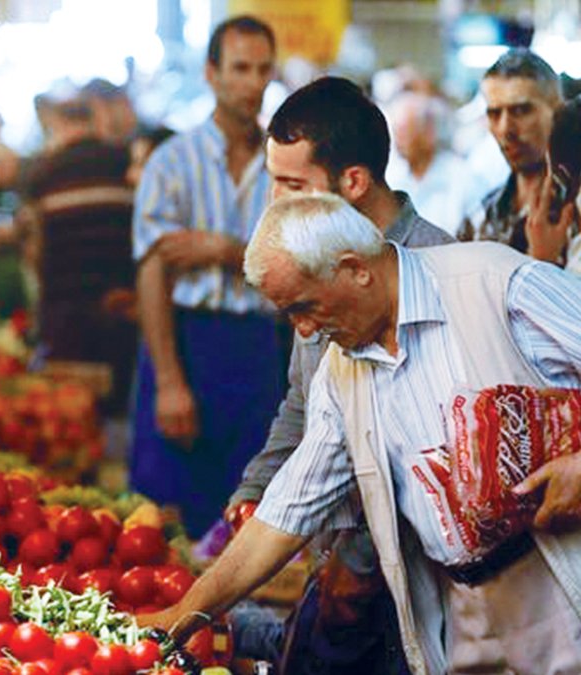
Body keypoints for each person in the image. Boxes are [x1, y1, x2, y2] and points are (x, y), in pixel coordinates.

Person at [140, 192, 581, 674]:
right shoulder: (341, 370)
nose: (304, 330)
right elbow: (288, 510)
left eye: (304, 306)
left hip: (559, 581)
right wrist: (184, 615)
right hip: (464, 609)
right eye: (289, 315)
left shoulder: (494, 282)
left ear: (356, 269)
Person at [223, 76, 456, 673]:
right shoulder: (309, 257)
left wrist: (359, 559)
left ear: (353, 181)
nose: (275, 202)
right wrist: (258, 488)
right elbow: (302, 402)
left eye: (293, 185)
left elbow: (432, 454)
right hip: (338, 565)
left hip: (419, 588)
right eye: (273, 181)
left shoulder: (437, 269)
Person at [131, 15, 285, 536]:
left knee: (249, 512)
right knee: (167, 519)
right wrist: (169, 381)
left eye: (263, 69)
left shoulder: (283, 166)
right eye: (240, 68)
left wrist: (223, 250)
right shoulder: (171, 163)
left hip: (260, 347)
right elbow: (153, 273)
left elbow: (296, 267)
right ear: (211, 73)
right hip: (185, 341)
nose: (253, 83)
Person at [25, 99, 138, 415]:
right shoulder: (124, 162)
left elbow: (35, 249)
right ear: (94, 121)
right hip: (120, 308)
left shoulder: (44, 172)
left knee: (69, 414)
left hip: (64, 314)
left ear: (58, 124)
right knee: (117, 409)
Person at [459, 48, 580, 266]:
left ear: (558, 112)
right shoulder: (480, 217)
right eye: (494, 114)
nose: (505, 129)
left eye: (521, 111)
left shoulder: (575, 210)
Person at [385, 90, 482, 236]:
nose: (399, 141)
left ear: (429, 132)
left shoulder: (461, 177)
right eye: (396, 132)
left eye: (405, 131)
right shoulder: (394, 177)